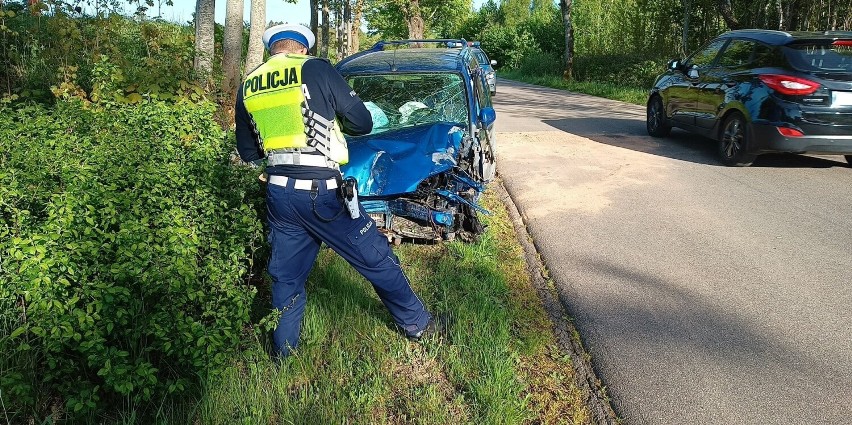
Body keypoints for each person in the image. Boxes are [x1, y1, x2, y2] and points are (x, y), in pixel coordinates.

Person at [234, 24, 438, 357]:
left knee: (286, 277)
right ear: (303, 49)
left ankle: (283, 353)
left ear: (273, 49)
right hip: (322, 194)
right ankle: (417, 324)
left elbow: (249, 152)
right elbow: (362, 123)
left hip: (278, 196)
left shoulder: (249, 85)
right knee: (375, 256)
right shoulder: (315, 69)